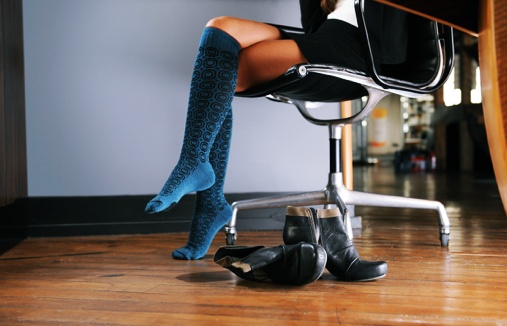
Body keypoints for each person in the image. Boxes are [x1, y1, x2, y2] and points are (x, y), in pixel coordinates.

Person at [145, 0, 408, 261]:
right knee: (220, 30)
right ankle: (203, 182)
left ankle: (203, 191)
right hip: (326, 36)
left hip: (365, 49)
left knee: (222, 70)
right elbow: (315, 25)